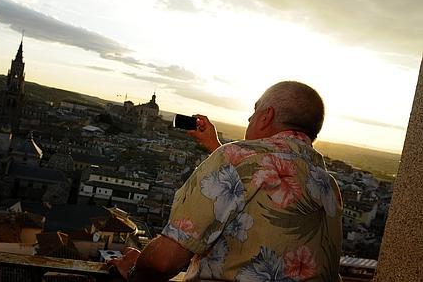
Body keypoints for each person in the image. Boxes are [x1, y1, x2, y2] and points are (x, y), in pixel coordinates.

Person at [109, 81, 343, 281]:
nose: (250, 117)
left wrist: (131, 268)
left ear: (266, 116)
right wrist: (216, 145)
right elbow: (267, 177)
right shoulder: (329, 186)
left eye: (255, 110)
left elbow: (164, 261)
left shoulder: (235, 160)